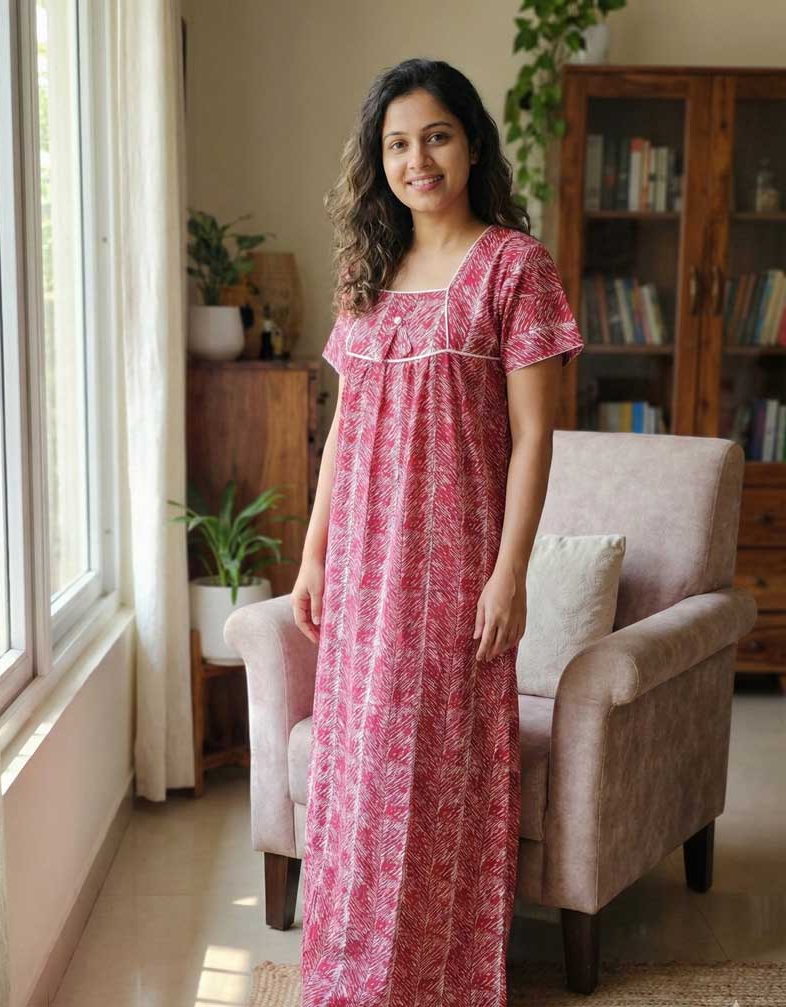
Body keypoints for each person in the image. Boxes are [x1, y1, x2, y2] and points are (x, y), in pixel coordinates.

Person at [290, 57, 584, 1007]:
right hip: (362, 566)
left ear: (472, 144)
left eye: (437, 136)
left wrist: (510, 574)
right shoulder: (365, 274)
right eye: (397, 144)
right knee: (358, 774)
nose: (418, 160)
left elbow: (534, 437)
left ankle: (435, 980)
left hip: (453, 568)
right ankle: (349, 976)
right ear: (378, 162)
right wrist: (313, 555)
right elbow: (344, 430)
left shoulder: (515, 266)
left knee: (433, 773)